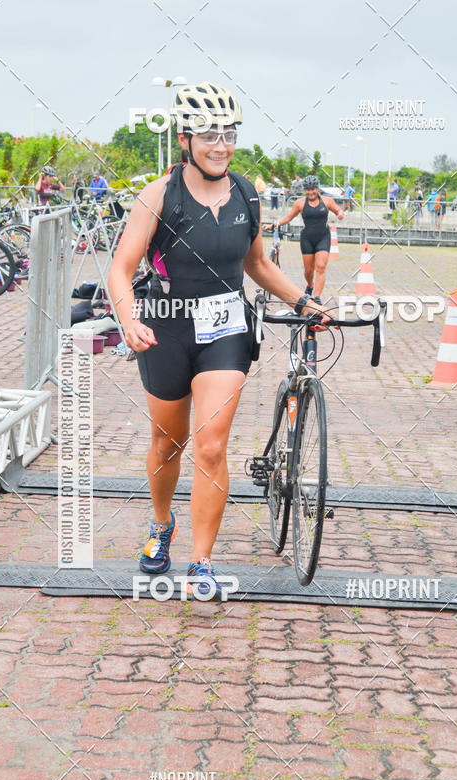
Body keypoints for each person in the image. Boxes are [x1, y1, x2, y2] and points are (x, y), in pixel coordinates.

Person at [108, 82, 331, 599]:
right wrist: (128, 319)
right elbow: (121, 269)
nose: (221, 145)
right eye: (209, 135)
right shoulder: (159, 194)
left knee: (210, 446)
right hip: (163, 328)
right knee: (169, 442)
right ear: (186, 139)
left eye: (228, 134)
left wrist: (304, 303)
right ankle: (162, 525)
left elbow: (256, 265)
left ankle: (201, 561)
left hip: (224, 330)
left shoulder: (247, 193)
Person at [263, 174, 344, 298]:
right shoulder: (299, 203)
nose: (310, 192)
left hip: (323, 237)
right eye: (308, 189)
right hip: (307, 239)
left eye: (313, 189)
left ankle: (316, 298)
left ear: (317, 189)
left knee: (321, 267)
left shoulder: (327, 201)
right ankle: (310, 285)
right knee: (308, 271)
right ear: (304, 190)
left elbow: (338, 210)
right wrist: (272, 225)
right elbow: (288, 218)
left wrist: (340, 214)